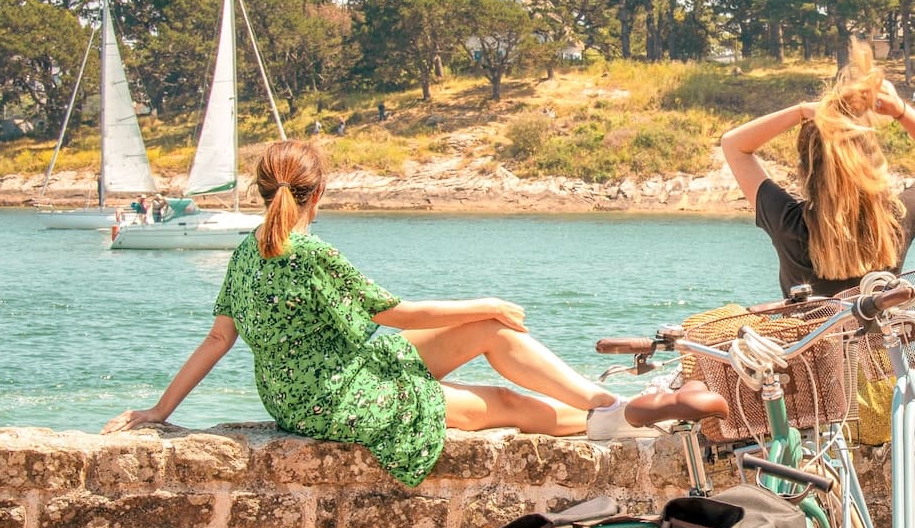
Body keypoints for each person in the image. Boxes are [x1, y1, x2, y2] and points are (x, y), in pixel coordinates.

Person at [104, 140, 638, 486]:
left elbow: (218, 339)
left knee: (489, 333)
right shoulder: (311, 252)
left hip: (337, 373)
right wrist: (491, 298)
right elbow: (398, 314)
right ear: (320, 194)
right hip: (336, 396)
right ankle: (619, 422)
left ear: (264, 192)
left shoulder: (247, 252)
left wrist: (160, 409)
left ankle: (603, 401)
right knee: (501, 401)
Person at [719, 43, 915, 298]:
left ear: (807, 171)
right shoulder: (895, 220)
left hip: (811, 339)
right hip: (877, 340)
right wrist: (899, 110)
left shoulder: (788, 223)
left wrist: (800, 111)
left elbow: (733, 145)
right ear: (871, 163)